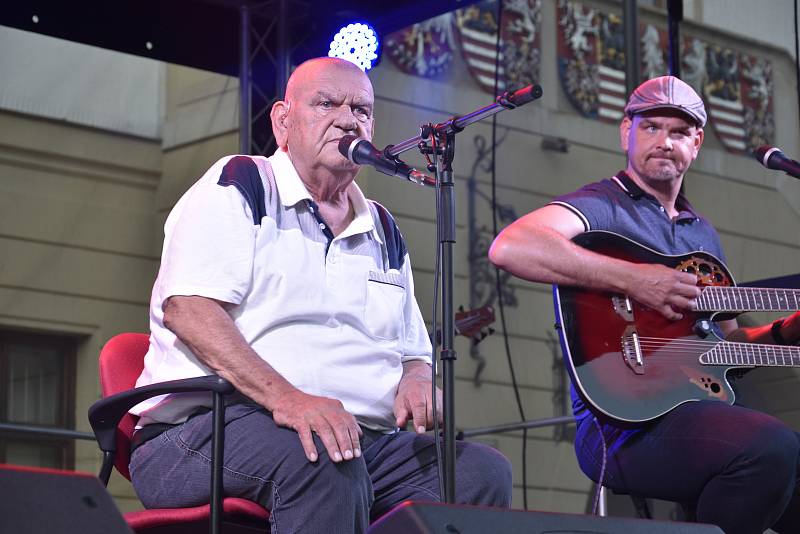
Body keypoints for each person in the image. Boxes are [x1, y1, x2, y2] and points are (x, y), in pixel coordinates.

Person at [127, 57, 512, 533]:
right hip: (203, 431)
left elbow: (413, 351)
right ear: (283, 121)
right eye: (327, 103)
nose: (349, 119)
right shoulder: (242, 184)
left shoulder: (383, 228)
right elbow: (189, 310)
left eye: (362, 110)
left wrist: (416, 378)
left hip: (356, 440)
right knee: (325, 457)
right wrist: (289, 399)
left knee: (478, 473)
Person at [489, 75, 800, 534]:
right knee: (770, 447)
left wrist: (785, 333)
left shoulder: (702, 234)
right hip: (619, 429)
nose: (663, 141)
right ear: (626, 132)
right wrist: (638, 279)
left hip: (696, 409)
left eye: (677, 132)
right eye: (650, 126)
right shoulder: (603, 205)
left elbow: (727, 343)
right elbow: (511, 247)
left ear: (696, 143)